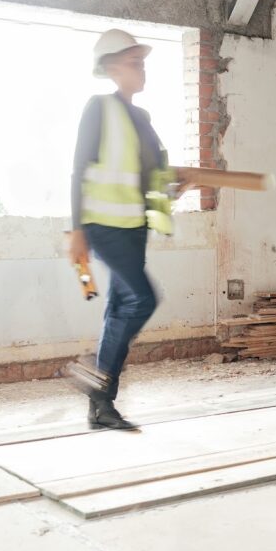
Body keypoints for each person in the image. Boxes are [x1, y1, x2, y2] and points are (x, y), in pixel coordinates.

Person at [68, 29, 187, 430]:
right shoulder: (98, 108)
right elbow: (79, 170)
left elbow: (151, 178)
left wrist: (176, 186)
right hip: (103, 227)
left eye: (142, 62)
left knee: (120, 309)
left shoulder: (142, 119)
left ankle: (102, 407)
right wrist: (77, 231)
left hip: (135, 228)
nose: (142, 70)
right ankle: (96, 373)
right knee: (143, 300)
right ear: (112, 68)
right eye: (134, 63)